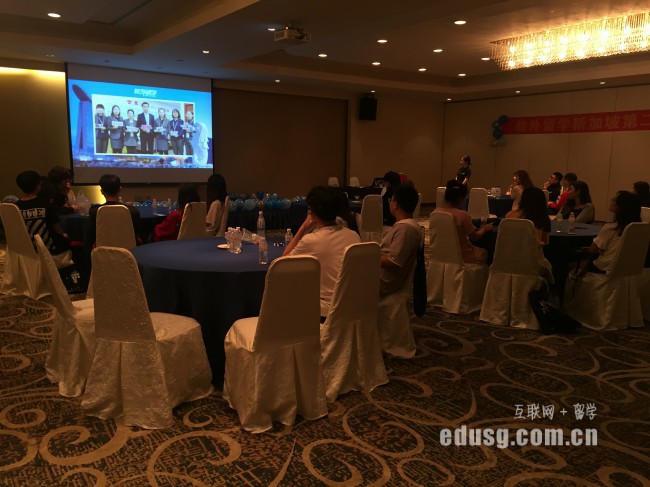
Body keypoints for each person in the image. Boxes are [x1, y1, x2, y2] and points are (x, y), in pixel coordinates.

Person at [283, 186, 360, 317]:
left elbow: (281, 262)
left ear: (312, 214)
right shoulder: (354, 236)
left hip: (326, 310)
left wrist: (303, 228)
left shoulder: (311, 240)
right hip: (352, 306)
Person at [574, 191, 641, 274]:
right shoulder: (637, 229)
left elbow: (592, 250)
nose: (611, 200)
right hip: (624, 270)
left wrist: (581, 249)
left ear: (620, 207)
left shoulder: (610, 228)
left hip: (602, 268)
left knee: (566, 262)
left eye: (614, 199)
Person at [380, 182, 423, 297]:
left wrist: (370, 257)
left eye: (391, 200)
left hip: (383, 283)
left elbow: (394, 261)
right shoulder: (405, 226)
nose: (390, 203)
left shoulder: (405, 229)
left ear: (395, 204)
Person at [435, 179, 492, 265]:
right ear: (460, 199)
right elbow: (474, 237)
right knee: (486, 251)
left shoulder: (436, 212)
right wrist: (484, 229)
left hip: (442, 254)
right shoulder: (462, 215)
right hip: (463, 256)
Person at [13, 170, 70, 255]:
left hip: (25, 251)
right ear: (37, 186)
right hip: (48, 249)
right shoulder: (46, 205)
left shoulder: (15, 207)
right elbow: (58, 230)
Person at [505, 187, 553, 282]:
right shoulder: (542, 219)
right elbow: (546, 242)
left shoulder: (509, 215)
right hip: (533, 264)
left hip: (510, 260)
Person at [88, 174, 141, 244]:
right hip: (128, 249)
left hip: (103, 248)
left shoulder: (94, 211)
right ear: (120, 190)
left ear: (102, 191)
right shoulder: (132, 211)